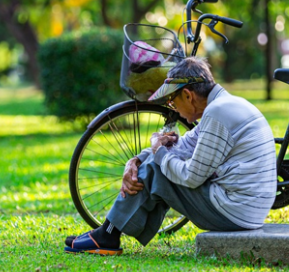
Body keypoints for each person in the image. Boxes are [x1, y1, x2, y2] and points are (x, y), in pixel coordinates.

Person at [64, 57, 277, 255]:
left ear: (188, 95)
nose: (172, 107)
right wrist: (137, 159)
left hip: (235, 212)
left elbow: (191, 177)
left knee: (156, 168)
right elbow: (184, 145)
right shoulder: (225, 105)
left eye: (172, 101)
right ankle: (107, 233)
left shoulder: (217, 113)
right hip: (246, 210)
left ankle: (107, 235)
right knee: (154, 163)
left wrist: (158, 154)